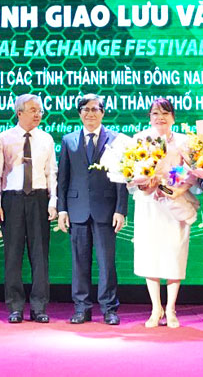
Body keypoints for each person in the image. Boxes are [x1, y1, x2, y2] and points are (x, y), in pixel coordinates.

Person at [57, 94, 128, 326]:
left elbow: (121, 178)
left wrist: (121, 209)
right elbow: (63, 178)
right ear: (79, 114)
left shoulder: (116, 140)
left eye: (94, 109)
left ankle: (109, 308)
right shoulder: (68, 140)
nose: (90, 113)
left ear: (103, 112)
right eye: (85, 109)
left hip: (106, 210)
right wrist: (62, 209)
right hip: (77, 209)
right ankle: (81, 308)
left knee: (107, 262)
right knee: (79, 262)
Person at [131, 98, 199, 328]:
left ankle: (171, 309)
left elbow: (193, 173)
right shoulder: (140, 139)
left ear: (173, 117)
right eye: (155, 113)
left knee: (174, 253)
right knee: (150, 254)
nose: (160, 117)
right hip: (149, 204)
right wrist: (145, 184)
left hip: (175, 203)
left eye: (165, 113)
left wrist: (179, 189)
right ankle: (155, 308)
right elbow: (131, 173)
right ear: (149, 117)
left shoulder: (184, 141)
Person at [0, 94, 58, 324]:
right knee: (13, 255)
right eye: (33, 110)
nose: (38, 114)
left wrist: (53, 202)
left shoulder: (46, 139)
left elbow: (52, 173)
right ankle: (15, 307)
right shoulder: (4, 138)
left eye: (39, 110)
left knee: (40, 256)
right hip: (13, 200)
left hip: (39, 198)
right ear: (19, 113)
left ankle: (39, 307)